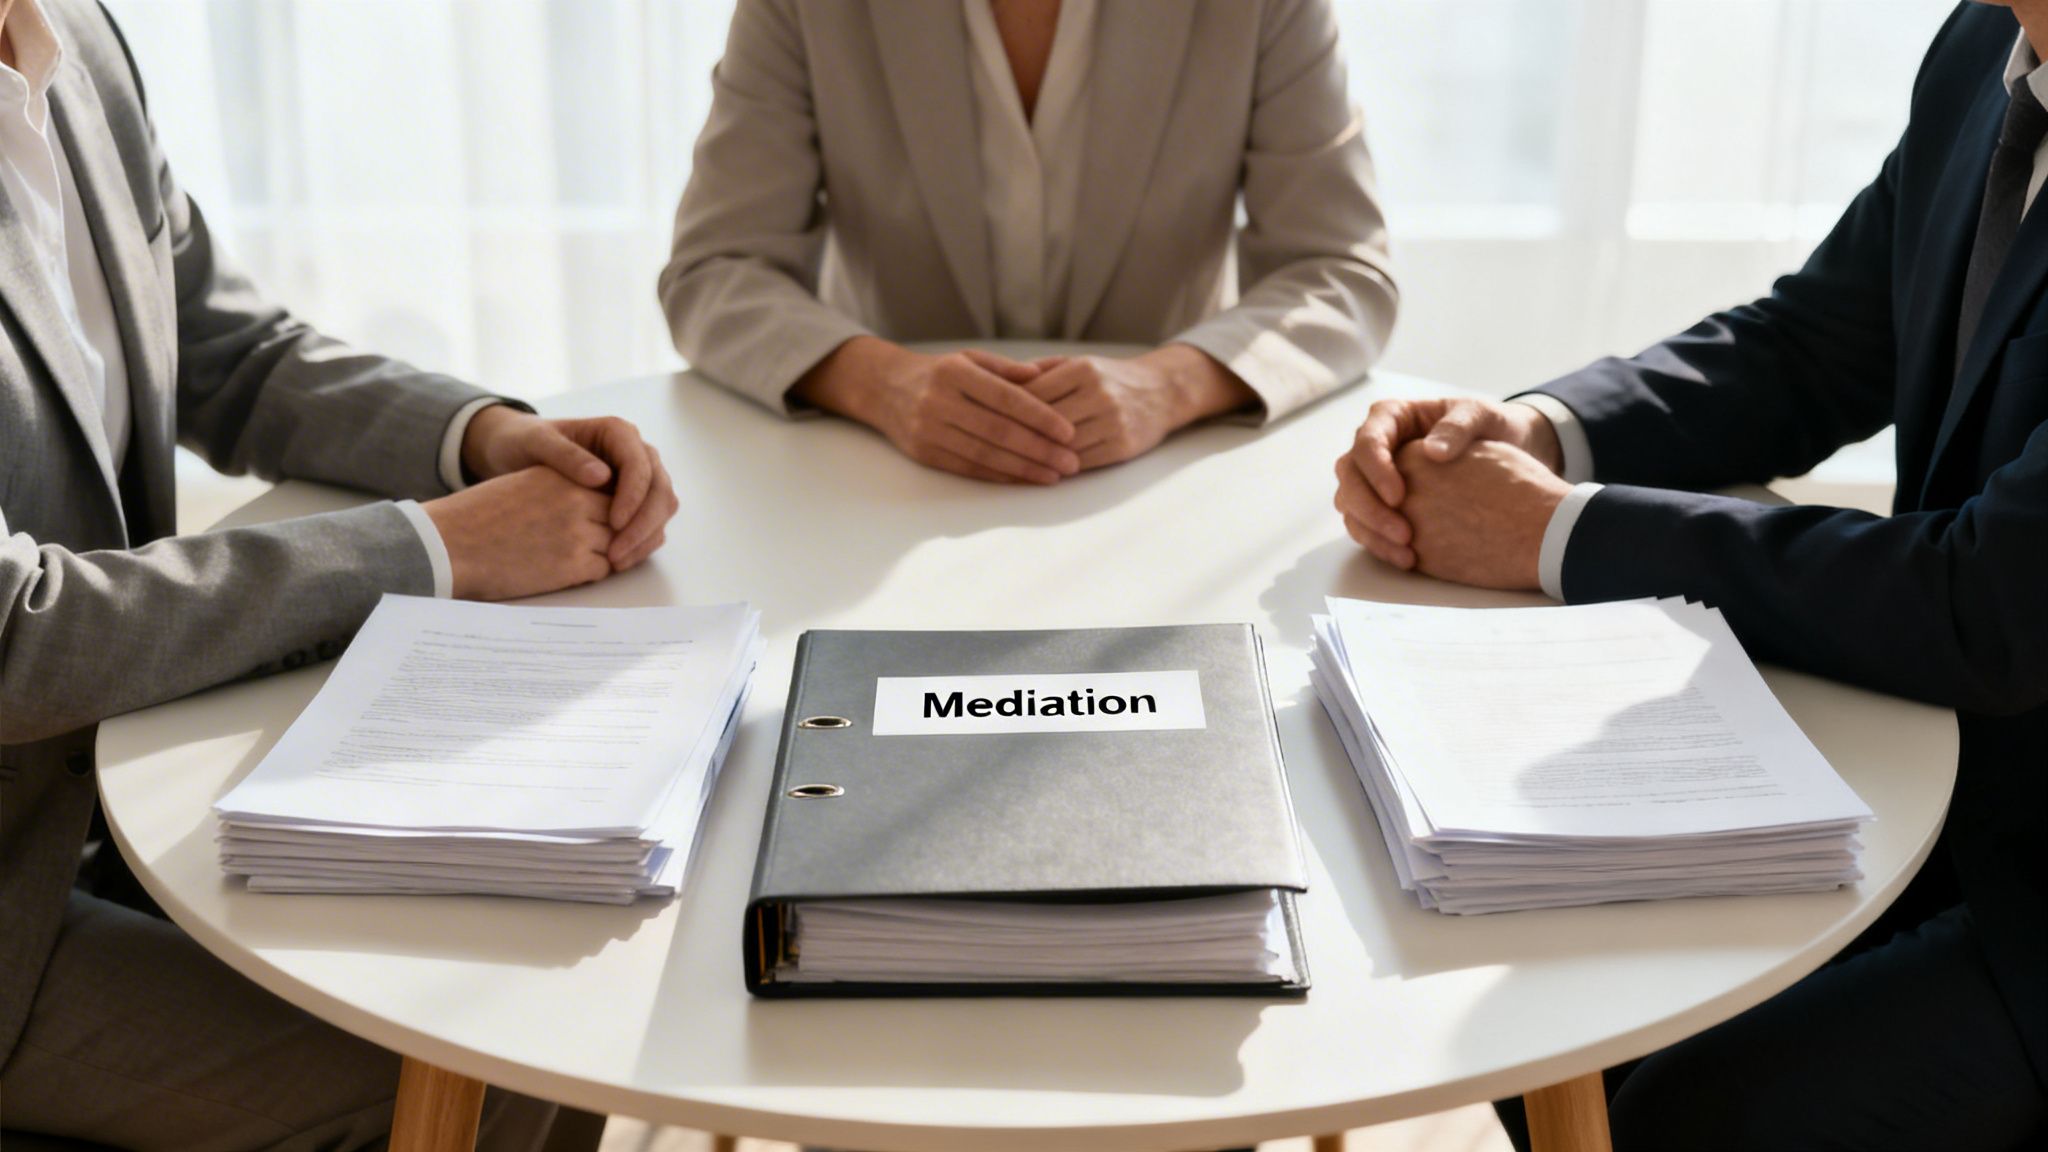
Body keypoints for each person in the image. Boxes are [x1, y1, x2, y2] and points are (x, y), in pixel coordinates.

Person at [1333, 3, 2048, 1147]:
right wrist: (1540, 431)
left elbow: (1986, 603)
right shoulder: (1983, 46)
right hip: (1946, 782)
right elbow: (1816, 342)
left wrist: (1553, 534)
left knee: (1683, 1111)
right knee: (1539, 1010)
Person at [0, 0, 678, 1147]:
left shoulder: (73, 39)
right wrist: (434, 550)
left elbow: (226, 350)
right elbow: (16, 637)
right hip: (19, 917)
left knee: (552, 953)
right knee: (504, 1062)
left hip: (112, 797)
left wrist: (477, 437)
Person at [661, 0, 1397, 486]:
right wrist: (884, 382)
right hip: (879, 479)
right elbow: (716, 267)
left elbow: (1339, 269)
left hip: (1170, 478)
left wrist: (1169, 385)